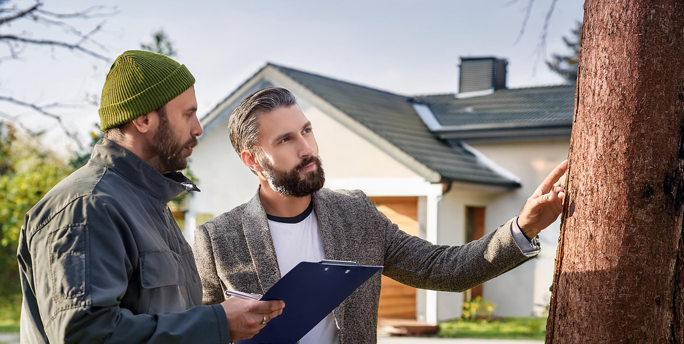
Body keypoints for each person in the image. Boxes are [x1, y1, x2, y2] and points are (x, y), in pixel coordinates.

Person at [192, 87, 567, 343]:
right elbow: (200, 332)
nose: (307, 148)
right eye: (286, 139)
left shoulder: (356, 214)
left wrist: (524, 226)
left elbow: (444, 269)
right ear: (253, 161)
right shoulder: (217, 239)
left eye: (306, 130)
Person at [17, 50, 284, 344]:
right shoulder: (86, 207)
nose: (198, 128)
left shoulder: (149, 205)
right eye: (188, 114)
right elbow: (88, 335)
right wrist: (217, 322)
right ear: (143, 120)